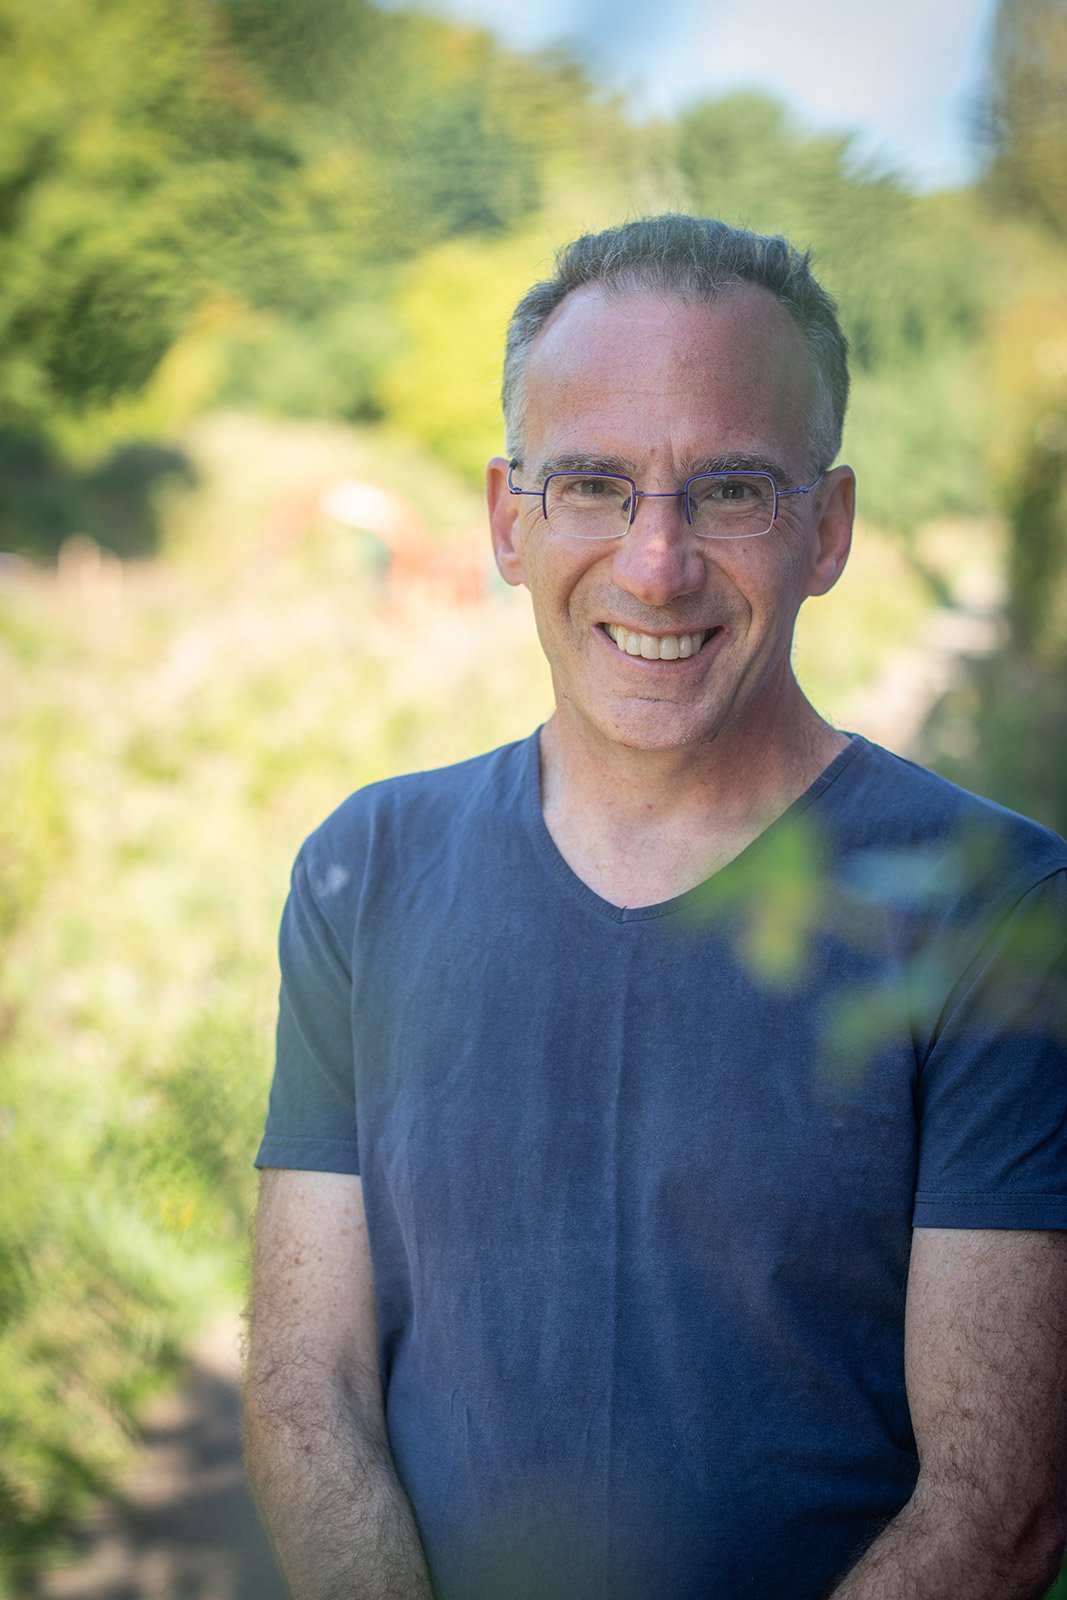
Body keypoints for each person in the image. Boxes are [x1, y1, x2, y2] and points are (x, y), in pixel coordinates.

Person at [242, 214, 1067, 1600]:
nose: (657, 563)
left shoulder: (994, 911)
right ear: (511, 520)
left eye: (733, 489)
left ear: (831, 527)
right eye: (594, 485)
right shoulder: (362, 871)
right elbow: (304, 1390)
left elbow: (1001, 1505)